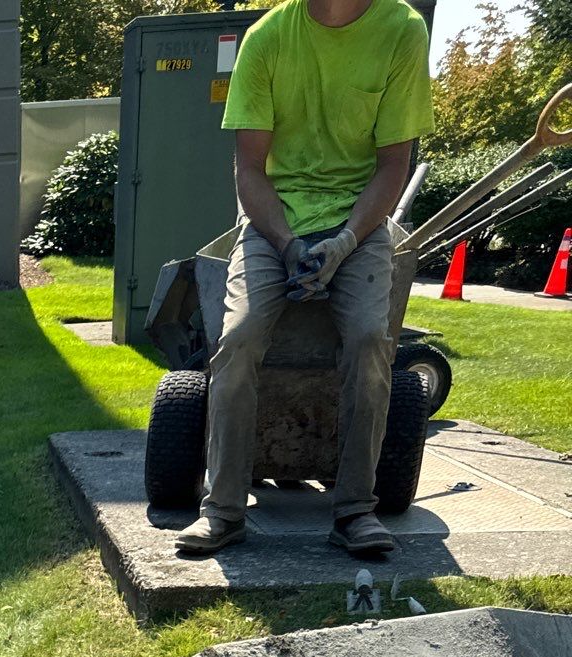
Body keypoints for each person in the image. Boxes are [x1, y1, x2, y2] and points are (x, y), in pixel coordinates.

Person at [177, 0, 433, 561]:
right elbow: (249, 168)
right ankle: (222, 511)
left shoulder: (401, 30)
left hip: (360, 223)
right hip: (274, 222)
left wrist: (344, 242)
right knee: (238, 337)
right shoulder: (268, 37)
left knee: (370, 338)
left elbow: (394, 163)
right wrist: (290, 244)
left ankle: (354, 511)